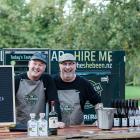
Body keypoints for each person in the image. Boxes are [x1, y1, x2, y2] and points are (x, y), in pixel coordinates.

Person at [14, 52, 62, 129]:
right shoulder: (17, 80)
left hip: (40, 126)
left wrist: (56, 121)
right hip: (19, 126)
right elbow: (7, 103)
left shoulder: (47, 79)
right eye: (35, 63)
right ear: (29, 64)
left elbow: (53, 101)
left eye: (40, 65)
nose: (37, 67)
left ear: (44, 68)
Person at [53, 53, 102, 126]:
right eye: (64, 64)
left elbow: (98, 103)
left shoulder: (84, 83)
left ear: (75, 65)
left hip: (78, 130)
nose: (67, 67)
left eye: (70, 64)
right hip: (56, 130)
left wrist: (100, 120)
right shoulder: (52, 82)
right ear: (59, 66)